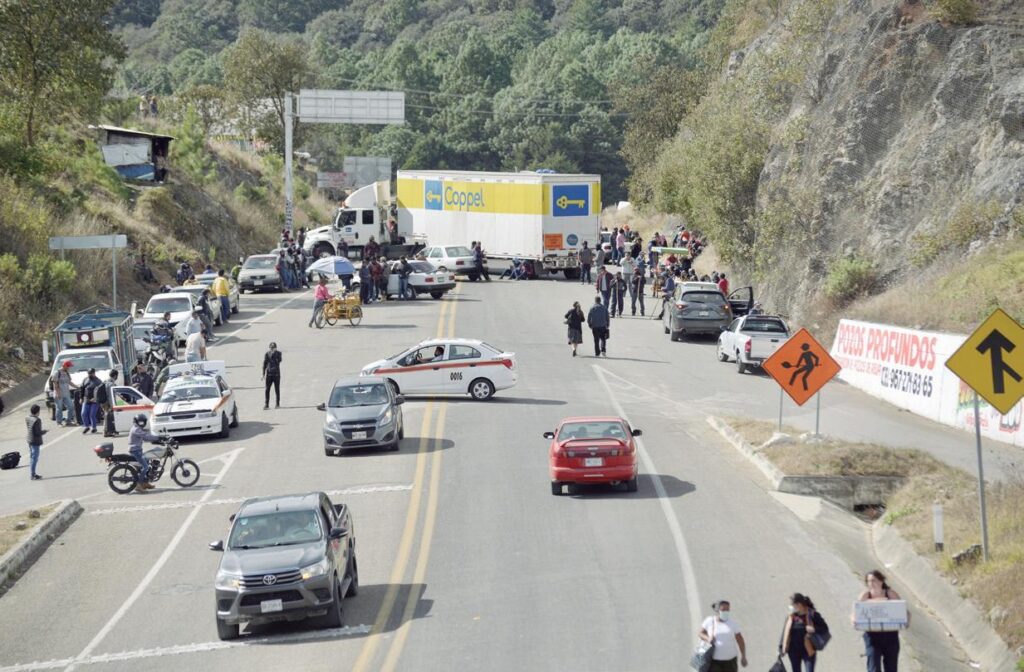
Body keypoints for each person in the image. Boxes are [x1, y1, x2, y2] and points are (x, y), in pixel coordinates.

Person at [856, 570, 906, 672]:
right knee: (873, 668)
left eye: (873, 580)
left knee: (891, 668)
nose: (871, 583)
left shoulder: (890, 594)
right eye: (868, 581)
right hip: (872, 637)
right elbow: (856, 612)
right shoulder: (865, 596)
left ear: (881, 581)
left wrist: (906, 620)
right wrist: (853, 620)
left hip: (890, 636)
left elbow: (903, 610)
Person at [782, 593, 828, 671]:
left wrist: (814, 629)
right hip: (793, 651)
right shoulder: (791, 617)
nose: (791, 607)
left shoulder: (813, 615)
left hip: (808, 650)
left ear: (799, 605)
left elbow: (825, 628)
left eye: (792, 605)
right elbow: (785, 632)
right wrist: (781, 648)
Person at [699, 600, 748, 671]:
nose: (726, 612)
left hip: (730, 661)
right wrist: (708, 638)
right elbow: (700, 633)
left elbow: (740, 640)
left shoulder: (732, 623)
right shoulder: (709, 621)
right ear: (717, 610)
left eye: (727, 610)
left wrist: (743, 656)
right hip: (714, 662)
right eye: (723, 610)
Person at [128, 413, 161, 491]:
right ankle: (138, 484)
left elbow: (145, 438)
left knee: (148, 461)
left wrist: (157, 439)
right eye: (140, 422)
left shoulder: (137, 428)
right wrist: (159, 437)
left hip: (138, 450)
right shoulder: (136, 429)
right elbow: (146, 436)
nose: (141, 423)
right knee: (145, 467)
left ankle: (145, 482)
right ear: (136, 421)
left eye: (142, 422)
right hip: (135, 451)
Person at [51, 360, 78, 426]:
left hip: (66, 394)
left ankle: (69, 421)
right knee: (59, 408)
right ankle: (59, 422)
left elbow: (69, 382)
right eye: (69, 366)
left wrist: (77, 387)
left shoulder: (66, 373)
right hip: (59, 394)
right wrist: (58, 393)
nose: (69, 368)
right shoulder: (57, 373)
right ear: (65, 366)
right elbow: (55, 384)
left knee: (71, 406)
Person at [25, 404, 47, 480]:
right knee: (35, 458)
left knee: (32, 457)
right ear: (37, 412)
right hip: (35, 441)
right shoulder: (37, 420)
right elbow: (37, 433)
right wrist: (44, 431)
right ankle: (33, 474)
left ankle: (32, 473)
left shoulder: (27, 417)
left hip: (29, 440)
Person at [81, 368, 103, 434]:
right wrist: (81, 398)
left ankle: (94, 428)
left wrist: (95, 398)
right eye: (89, 373)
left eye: (91, 373)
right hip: (86, 399)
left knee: (92, 414)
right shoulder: (85, 380)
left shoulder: (98, 381)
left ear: (94, 373)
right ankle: (86, 426)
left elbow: (100, 391)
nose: (90, 375)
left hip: (95, 400)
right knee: (83, 413)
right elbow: (82, 389)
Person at [262, 342, 282, 409]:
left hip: (276, 374)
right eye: (271, 348)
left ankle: (277, 404)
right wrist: (263, 374)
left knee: (277, 389)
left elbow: (279, 361)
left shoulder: (279, 353)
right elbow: (264, 364)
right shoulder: (267, 354)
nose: (272, 349)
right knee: (267, 389)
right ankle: (266, 404)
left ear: (276, 348)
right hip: (269, 374)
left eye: (273, 348)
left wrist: (274, 354)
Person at [102, 370, 120, 437]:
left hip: (103, 402)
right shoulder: (111, 384)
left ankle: (107, 431)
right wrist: (112, 405)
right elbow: (110, 395)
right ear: (115, 376)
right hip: (108, 403)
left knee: (106, 417)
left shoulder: (105, 381)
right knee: (108, 417)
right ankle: (107, 432)